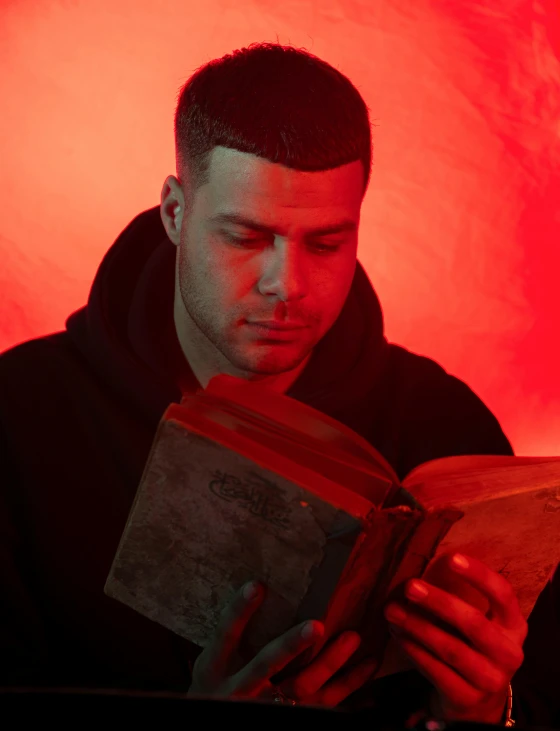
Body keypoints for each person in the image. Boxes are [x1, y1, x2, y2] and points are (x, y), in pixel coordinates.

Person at [0, 42, 557, 727]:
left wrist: (483, 708)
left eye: (325, 244)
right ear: (176, 212)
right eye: (244, 237)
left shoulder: (446, 424)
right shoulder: (19, 415)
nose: (285, 286)